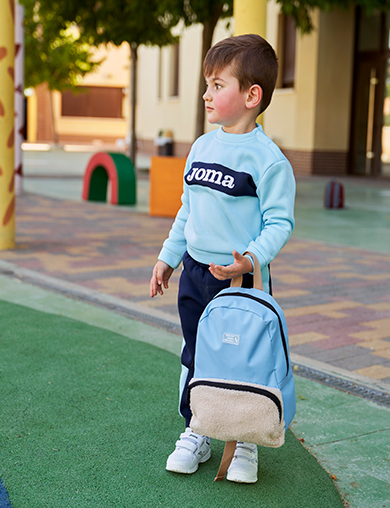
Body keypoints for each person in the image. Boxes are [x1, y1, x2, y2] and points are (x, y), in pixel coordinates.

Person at [149, 33, 296, 484]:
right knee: (197, 353)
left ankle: (246, 439)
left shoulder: (269, 161)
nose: (206, 94)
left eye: (217, 85)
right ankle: (198, 429)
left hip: (241, 281)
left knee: (244, 360)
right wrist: (167, 259)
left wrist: (250, 260)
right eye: (207, 85)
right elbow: (187, 210)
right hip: (196, 273)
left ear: (252, 96)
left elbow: (279, 224)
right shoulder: (200, 147)